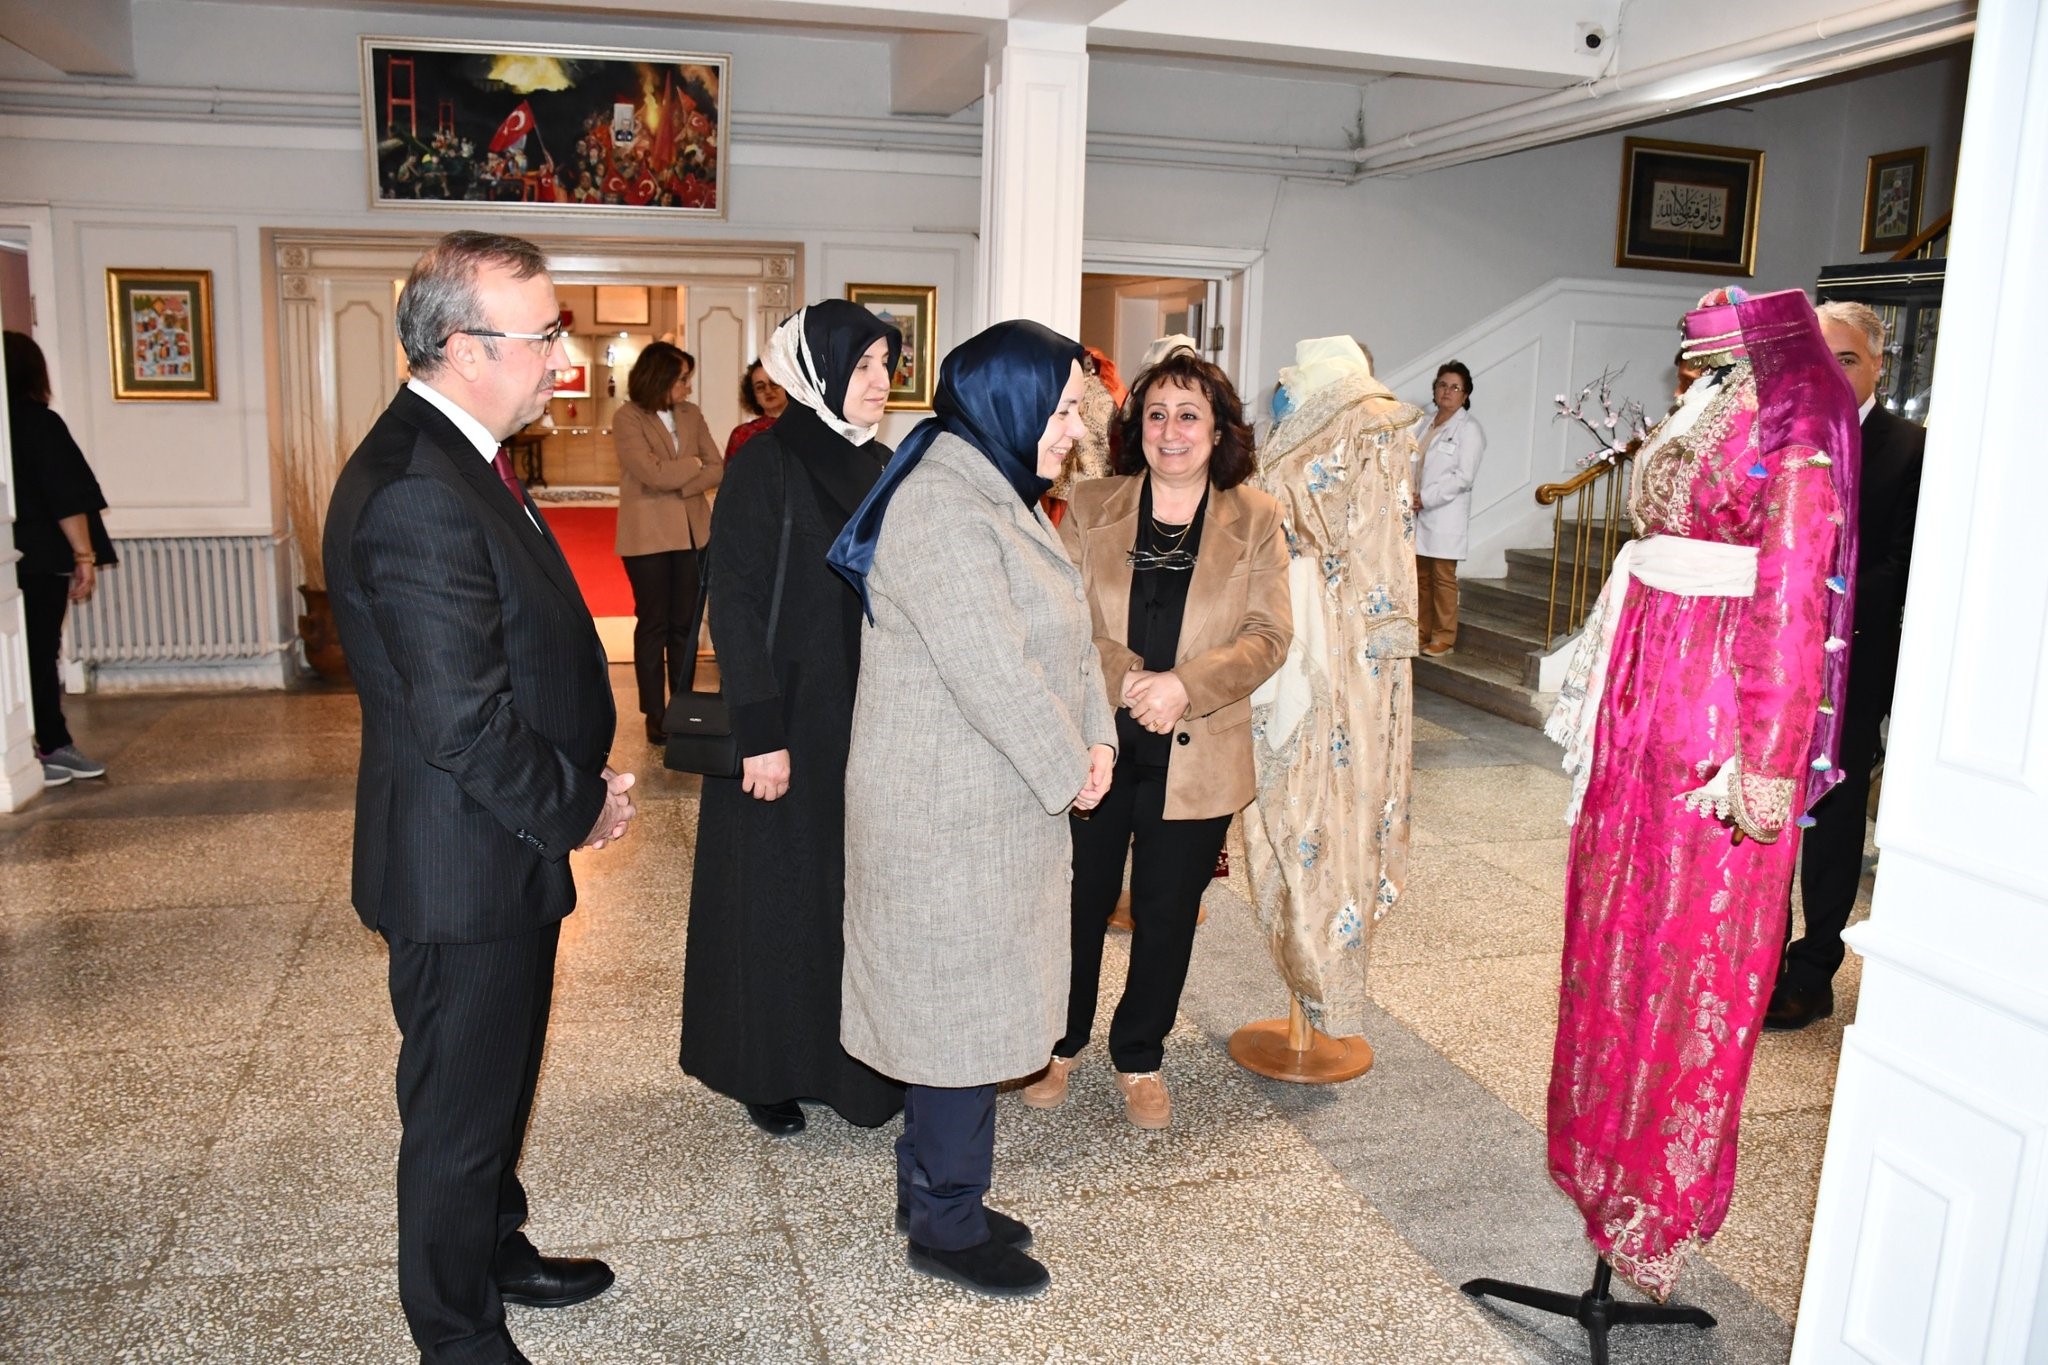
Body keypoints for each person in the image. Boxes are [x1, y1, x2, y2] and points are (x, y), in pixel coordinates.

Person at [322, 231, 638, 1365]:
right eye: (544, 334)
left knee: (496, 1084)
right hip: (464, 859)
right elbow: (460, 719)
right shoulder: (417, 487)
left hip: (499, 844)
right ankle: (456, 1333)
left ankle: (496, 1250)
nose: (563, 357)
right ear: (461, 347)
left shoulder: (465, 452)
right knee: (458, 1117)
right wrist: (577, 808)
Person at [1542, 287, 1858, 1300]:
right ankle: (1600, 1168)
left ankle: (1655, 1200)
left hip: (1709, 719)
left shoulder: (1796, 412)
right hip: (1643, 693)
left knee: (1688, 952)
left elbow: (1795, 588)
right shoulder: (1718, 392)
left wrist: (1765, 757)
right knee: (1616, 933)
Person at [828, 319, 1118, 1299]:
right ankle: (943, 1223)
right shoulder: (944, 503)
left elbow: (1067, 639)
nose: (1073, 427)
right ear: (1011, 401)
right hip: (943, 812)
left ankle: (940, 1191)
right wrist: (1066, 765)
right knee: (954, 1016)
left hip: (993, 800)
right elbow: (989, 668)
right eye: (1065, 406)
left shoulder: (995, 487)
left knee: (977, 1008)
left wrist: (1098, 739)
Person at [1024, 347, 1290, 1130]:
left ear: (1218, 431)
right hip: (1096, 739)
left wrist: (1183, 686)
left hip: (1199, 743)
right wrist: (1135, 676)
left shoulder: (1259, 517)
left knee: (1168, 913)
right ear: (1135, 425)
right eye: (1157, 414)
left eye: (1189, 414)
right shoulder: (1093, 501)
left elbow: (1269, 635)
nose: (1171, 430)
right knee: (1078, 900)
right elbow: (1059, 616)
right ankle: (1057, 1042)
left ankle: (1140, 1054)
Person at [679, 301, 906, 1138]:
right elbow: (732, 604)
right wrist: (761, 732)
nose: (881, 383)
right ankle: (763, 1064)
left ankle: (853, 1067)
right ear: (816, 373)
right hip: (784, 716)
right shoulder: (764, 463)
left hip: (868, 714)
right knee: (773, 897)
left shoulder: (886, 464)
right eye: (863, 367)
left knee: (849, 896)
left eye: (887, 365)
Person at [1243, 336, 1424, 1040]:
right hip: (1283, 613)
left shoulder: (1372, 417)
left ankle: (1328, 977)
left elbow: (1385, 540)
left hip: (1341, 639)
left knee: (1331, 797)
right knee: (1284, 802)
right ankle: (1301, 963)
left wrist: (1378, 646)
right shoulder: (1298, 404)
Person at [1767, 300, 1924, 1031]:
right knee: (1764, 808)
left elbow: (1906, 562)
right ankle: (1759, 959)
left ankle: (1813, 967)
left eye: (1849, 358)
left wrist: (1825, 587)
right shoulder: (1784, 438)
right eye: (1822, 358)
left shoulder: (1910, 447)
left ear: (1877, 365)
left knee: (1830, 820)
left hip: (1854, 663)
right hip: (1774, 659)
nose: (1833, 370)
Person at [4, 331, 115, 788]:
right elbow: (67, 497)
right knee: (39, 654)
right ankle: (50, 745)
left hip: (13, 555)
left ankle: (37, 744)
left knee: (21, 656)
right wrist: (84, 555)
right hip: (42, 558)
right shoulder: (39, 424)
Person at [612, 342, 722, 745]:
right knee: (653, 625)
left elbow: (716, 466)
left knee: (685, 627)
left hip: (694, 533)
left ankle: (682, 707)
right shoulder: (628, 417)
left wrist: (682, 475)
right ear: (659, 378)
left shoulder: (691, 414)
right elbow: (649, 472)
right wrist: (688, 470)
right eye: (682, 379)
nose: (687, 387)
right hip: (648, 537)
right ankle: (653, 714)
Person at [1412, 361, 1486, 655]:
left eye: (1455, 387)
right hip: (1416, 511)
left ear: (1465, 395)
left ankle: (1444, 635)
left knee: (1442, 577)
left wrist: (1426, 497)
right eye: (1442, 385)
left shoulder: (1469, 429)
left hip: (1443, 512)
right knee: (1420, 576)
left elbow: (1463, 478)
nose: (1447, 391)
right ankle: (1421, 630)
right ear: (1435, 389)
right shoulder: (1424, 423)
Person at [725, 357, 788, 462]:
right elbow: (732, 476)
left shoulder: (808, 428)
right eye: (760, 387)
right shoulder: (742, 434)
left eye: (774, 384)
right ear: (753, 395)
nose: (768, 391)